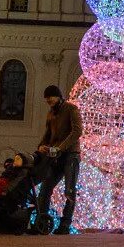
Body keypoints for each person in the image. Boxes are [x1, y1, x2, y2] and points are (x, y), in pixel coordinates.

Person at [29, 84, 82, 235]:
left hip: (71, 155)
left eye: (50, 98)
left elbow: (77, 131)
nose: (48, 101)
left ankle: (65, 224)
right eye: (46, 99)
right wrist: (41, 146)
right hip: (55, 156)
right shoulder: (51, 113)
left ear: (58, 96)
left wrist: (61, 147)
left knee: (69, 190)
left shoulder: (71, 109)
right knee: (45, 189)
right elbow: (48, 133)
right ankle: (41, 223)